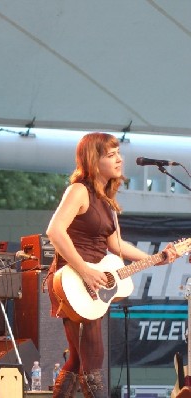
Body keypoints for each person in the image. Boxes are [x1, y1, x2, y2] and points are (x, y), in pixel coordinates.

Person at [45, 132, 180, 397]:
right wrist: (85, 270)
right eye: (111, 155)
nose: (119, 159)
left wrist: (157, 259)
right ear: (94, 161)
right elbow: (55, 231)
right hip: (73, 278)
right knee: (93, 361)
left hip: (91, 281)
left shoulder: (105, 200)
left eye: (119, 153)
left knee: (77, 361)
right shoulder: (78, 190)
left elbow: (116, 246)